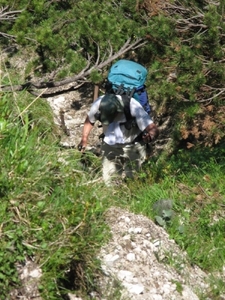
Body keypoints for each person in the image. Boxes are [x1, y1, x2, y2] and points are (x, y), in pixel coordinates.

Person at [78, 93, 158, 185]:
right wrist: (84, 139)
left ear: (118, 110)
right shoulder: (98, 104)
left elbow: (152, 128)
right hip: (109, 145)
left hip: (133, 146)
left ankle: (132, 194)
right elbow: (89, 120)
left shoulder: (133, 106)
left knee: (135, 179)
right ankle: (111, 195)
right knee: (109, 180)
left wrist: (151, 135)